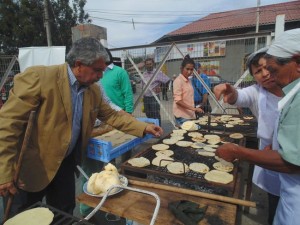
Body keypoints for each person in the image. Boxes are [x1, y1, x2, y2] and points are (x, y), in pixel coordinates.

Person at [0, 37, 163, 218]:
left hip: (65, 165)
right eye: (97, 70)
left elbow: (112, 115)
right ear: (79, 65)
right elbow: (7, 125)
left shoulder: (92, 91)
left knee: (63, 213)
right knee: (22, 216)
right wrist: (3, 173)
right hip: (29, 169)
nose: (101, 75)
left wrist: (144, 127)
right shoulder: (39, 78)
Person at [215, 28, 300, 225]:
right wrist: (231, 91)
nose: (266, 74)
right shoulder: (258, 92)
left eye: (270, 68)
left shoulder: (294, 94)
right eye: (258, 72)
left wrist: (238, 151)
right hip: (270, 155)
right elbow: (240, 96)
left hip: (284, 168)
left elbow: (292, 161)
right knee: (275, 200)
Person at [173, 55, 204, 126]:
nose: (189, 72)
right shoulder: (178, 81)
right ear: (181, 68)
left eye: (191, 69)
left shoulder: (188, 80)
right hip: (182, 116)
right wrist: (194, 109)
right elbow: (178, 101)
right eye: (187, 69)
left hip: (189, 114)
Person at [100, 49, 134, 114]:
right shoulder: (96, 73)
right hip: (101, 113)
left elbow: (128, 93)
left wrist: (128, 112)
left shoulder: (120, 72)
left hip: (119, 113)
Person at [142, 58, 170, 125]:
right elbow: (143, 85)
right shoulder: (144, 74)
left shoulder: (158, 73)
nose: (149, 65)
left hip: (154, 98)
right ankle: (152, 129)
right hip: (146, 98)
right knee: (148, 114)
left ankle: (158, 130)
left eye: (150, 64)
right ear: (145, 65)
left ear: (153, 64)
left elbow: (167, 80)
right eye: (147, 64)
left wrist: (161, 87)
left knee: (155, 115)